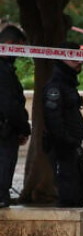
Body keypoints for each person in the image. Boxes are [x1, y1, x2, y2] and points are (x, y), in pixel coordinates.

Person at [43, 41, 83, 207]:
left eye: (80, 57)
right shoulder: (55, 86)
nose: (79, 61)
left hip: (73, 146)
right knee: (69, 192)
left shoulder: (68, 84)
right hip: (63, 148)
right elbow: (54, 120)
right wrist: (68, 142)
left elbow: (75, 114)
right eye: (74, 58)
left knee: (82, 187)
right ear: (62, 59)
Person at [0, 24, 31, 208]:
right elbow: (10, 105)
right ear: (10, 44)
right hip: (4, 131)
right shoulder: (4, 71)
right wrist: (23, 128)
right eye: (19, 47)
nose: (20, 53)